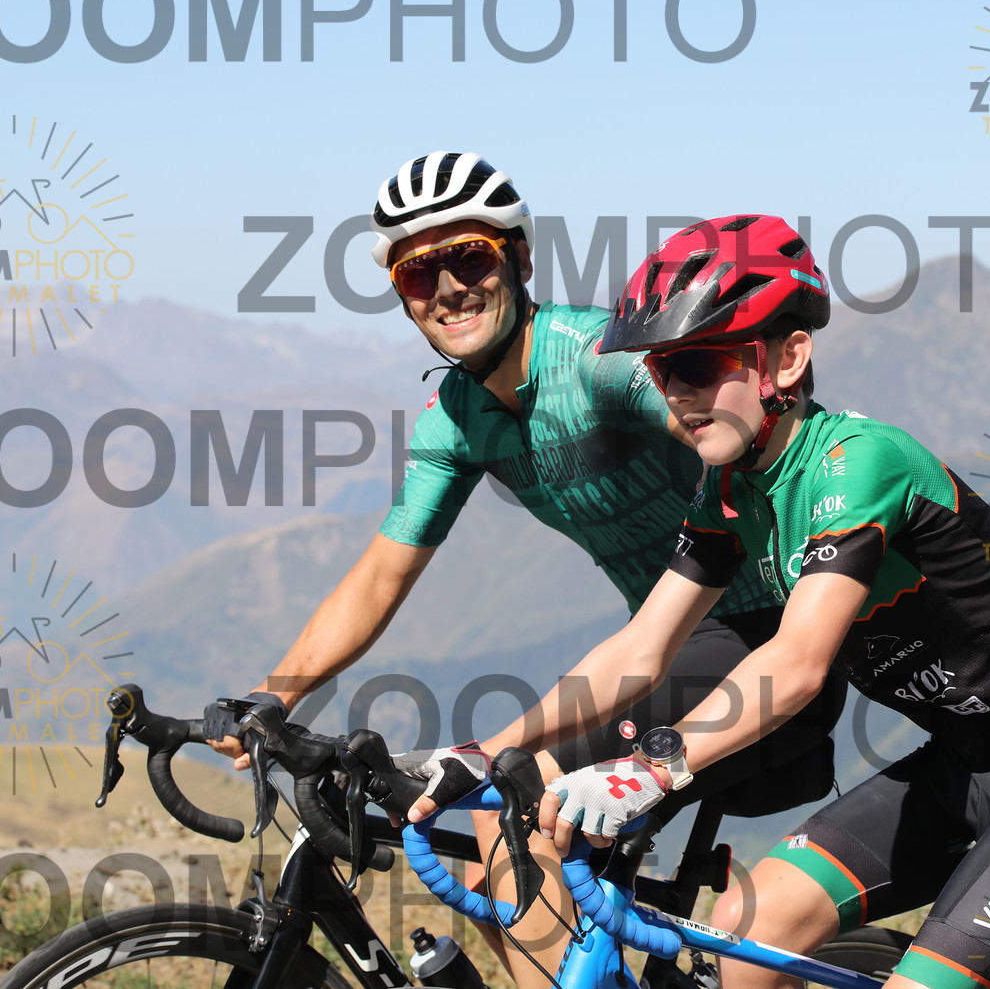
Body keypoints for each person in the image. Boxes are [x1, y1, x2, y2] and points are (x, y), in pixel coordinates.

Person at [408, 214, 990, 989]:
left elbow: (796, 665)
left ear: (788, 358)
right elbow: (641, 648)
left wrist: (650, 769)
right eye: (662, 372)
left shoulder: (860, 464)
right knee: (741, 930)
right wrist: (487, 751)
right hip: (961, 765)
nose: (678, 394)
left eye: (697, 364)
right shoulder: (731, 489)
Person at [206, 160, 844, 987]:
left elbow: (748, 420)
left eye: (469, 257)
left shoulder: (599, 361)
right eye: (418, 273)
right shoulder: (459, 419)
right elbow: (380, 575)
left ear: (519, 260)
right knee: (475, 841)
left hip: (765, 640)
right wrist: (278, 691)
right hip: (666, 650)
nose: (448, 287)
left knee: (505, 802)